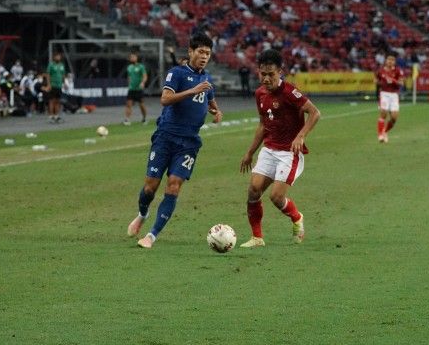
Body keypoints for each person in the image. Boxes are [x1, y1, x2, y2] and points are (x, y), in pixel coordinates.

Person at [127, 32, 224, 249]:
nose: (204, 56)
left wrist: (216, 112)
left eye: (208, 53)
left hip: (189, 143)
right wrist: (193, 90)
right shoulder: (177, 73)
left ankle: (151, 236)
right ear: (190, 51)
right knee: (150, 187)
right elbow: (165, 99)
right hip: (165, 137)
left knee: (173, 186)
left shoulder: (207, 79)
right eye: (200, 52)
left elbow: (210, 102)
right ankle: (142, 214)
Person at [238, 49, 321, 248]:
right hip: (269, 149)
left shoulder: (290, 92)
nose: (266, 79)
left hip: (289, 153)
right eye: (262, 74)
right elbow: (262, 125)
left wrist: (300, 136)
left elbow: (315, 113)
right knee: (253, 191)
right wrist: (250, 152)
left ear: (280, 72)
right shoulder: (259, 93)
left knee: (276, 197)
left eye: (271, 74)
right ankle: (257, 238)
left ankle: (297, 217)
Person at [375, 53, 405, 143]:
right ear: (386, 61)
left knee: (394, 118)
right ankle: (380, 134)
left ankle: (385, 131)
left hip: (394, 95)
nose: (390, 61)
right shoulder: (380, 71)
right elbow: (376, 80)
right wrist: (379, 82)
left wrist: (393, 80)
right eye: (388, 59)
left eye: (392, 60)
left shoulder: (398, 71)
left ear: (394, 62)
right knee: (383, 113)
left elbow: (401, 83)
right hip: (384, 94)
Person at [123, 52, 148, 125]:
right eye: (131, 57)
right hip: (131, 89)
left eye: (134, 57)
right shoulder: (129, 67)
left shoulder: (141, 66)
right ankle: (127, 120)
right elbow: (129, 77)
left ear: (136, 58)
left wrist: (143, 82)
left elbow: (145, 76)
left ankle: (144, 118)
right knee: (128, 104)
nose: (132, 58)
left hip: (139, 89)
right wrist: (129, 84)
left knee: (141, 105)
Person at [45, 52, 66, 123]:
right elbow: (48, 75)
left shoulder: (61, 65)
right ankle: (51, 116)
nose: (58, 58)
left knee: (58, 101)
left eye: (59, 56)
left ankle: (56, 115)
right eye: (57, 56)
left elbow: (63, 75)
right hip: (53, 85)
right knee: (52, 100)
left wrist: (64, 83)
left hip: (59, 85)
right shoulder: (51, 65)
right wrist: (48, 84)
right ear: (54, 57)